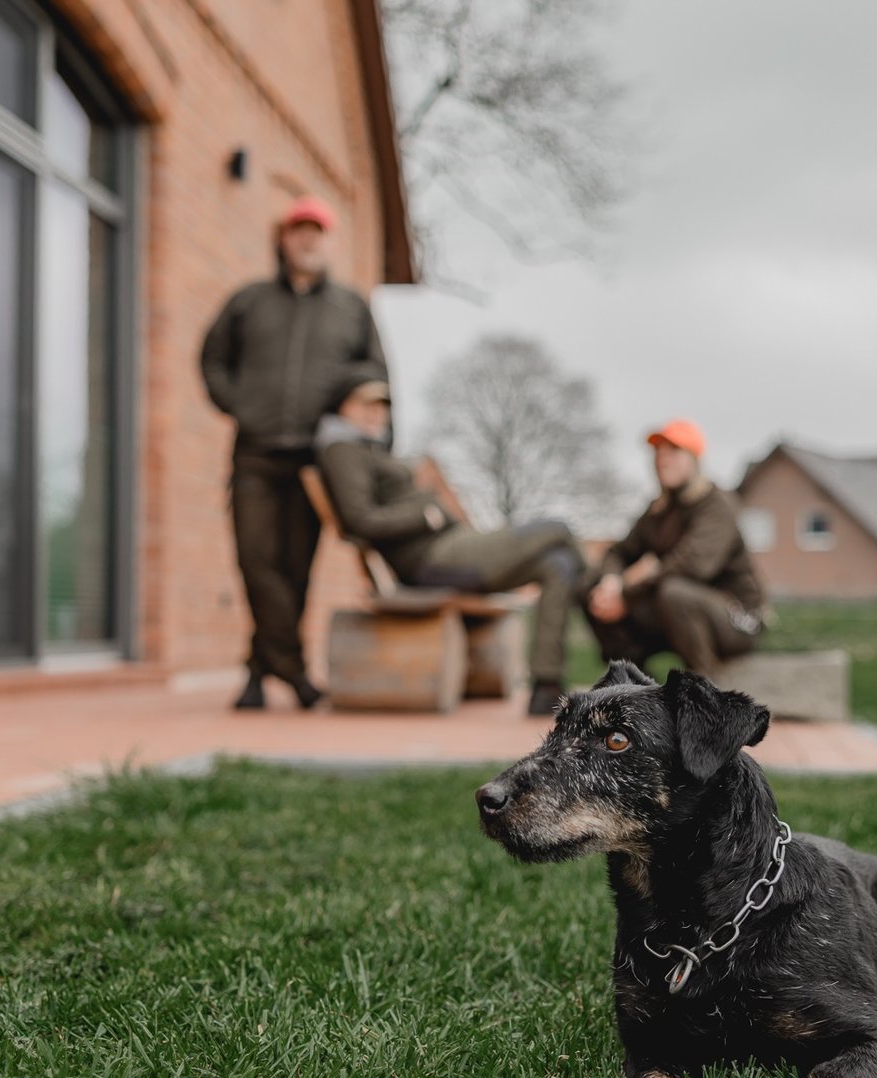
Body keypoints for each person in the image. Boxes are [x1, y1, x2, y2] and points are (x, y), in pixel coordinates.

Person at [199, 196, 387, 710]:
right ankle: (295, 670)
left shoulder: (351, 307)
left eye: (318, 230)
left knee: (297, 568)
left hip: (315, 459)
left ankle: (258, 673)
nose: (308, 238)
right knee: (256, 561)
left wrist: (375, 446)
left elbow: (376, 377)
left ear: (328, 241)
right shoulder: (249, 300)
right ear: (283, 238)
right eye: (299, 229)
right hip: (256, 453)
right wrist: (239, 404)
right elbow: (212, 359)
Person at [316, 368, 586, 716]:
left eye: (382, 406)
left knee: (557, 565)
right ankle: (604, 601)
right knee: (556, 528)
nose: (376, 413)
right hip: (436, 556)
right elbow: (359, 520)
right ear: (342, 408)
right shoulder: (343, 448)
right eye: (365, 403)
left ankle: (546, 687)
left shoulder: (367, 447)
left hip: (452, 546)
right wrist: (425, 515)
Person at [585, 419, 766, 676]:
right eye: (658, 453)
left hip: (738, 618)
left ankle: (702, 691)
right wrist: (611, 582)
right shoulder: (659, 510)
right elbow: (618, 552)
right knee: (591, 589)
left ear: (694, 458)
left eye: (673, 452)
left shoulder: (717, 505)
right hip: (675, 612)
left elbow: (692, 565)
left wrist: (626, 593)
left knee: (674, 592)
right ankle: (635, 685)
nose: (662, 459)